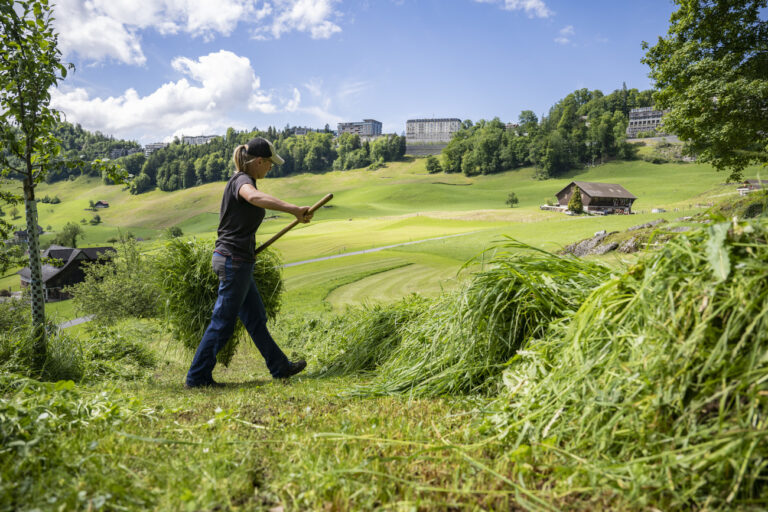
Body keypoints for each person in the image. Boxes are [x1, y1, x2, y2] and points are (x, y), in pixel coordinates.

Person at [185, 137, 311, 388]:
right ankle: (197, 377)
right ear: (259, 161)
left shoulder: (244, 179)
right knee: (222, 321)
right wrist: (293, 209)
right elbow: (253, 198)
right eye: (269, 164)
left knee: (255, 318)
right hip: (233, 261)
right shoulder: (243, 181)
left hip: (238, 260)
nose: (271, 168)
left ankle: (280, 367)